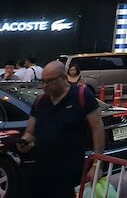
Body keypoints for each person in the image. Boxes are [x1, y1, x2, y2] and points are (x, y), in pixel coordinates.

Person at [17, 61, 105, 198]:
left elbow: (97, 129)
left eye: (50, 81)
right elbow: (30, 133)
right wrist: (24, 142)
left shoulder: (81, 96)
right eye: (43, 81)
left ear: (64, 78)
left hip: (70, 173)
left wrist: (96, 165)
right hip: (41, 170)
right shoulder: (40, 101)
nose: (45, 85)